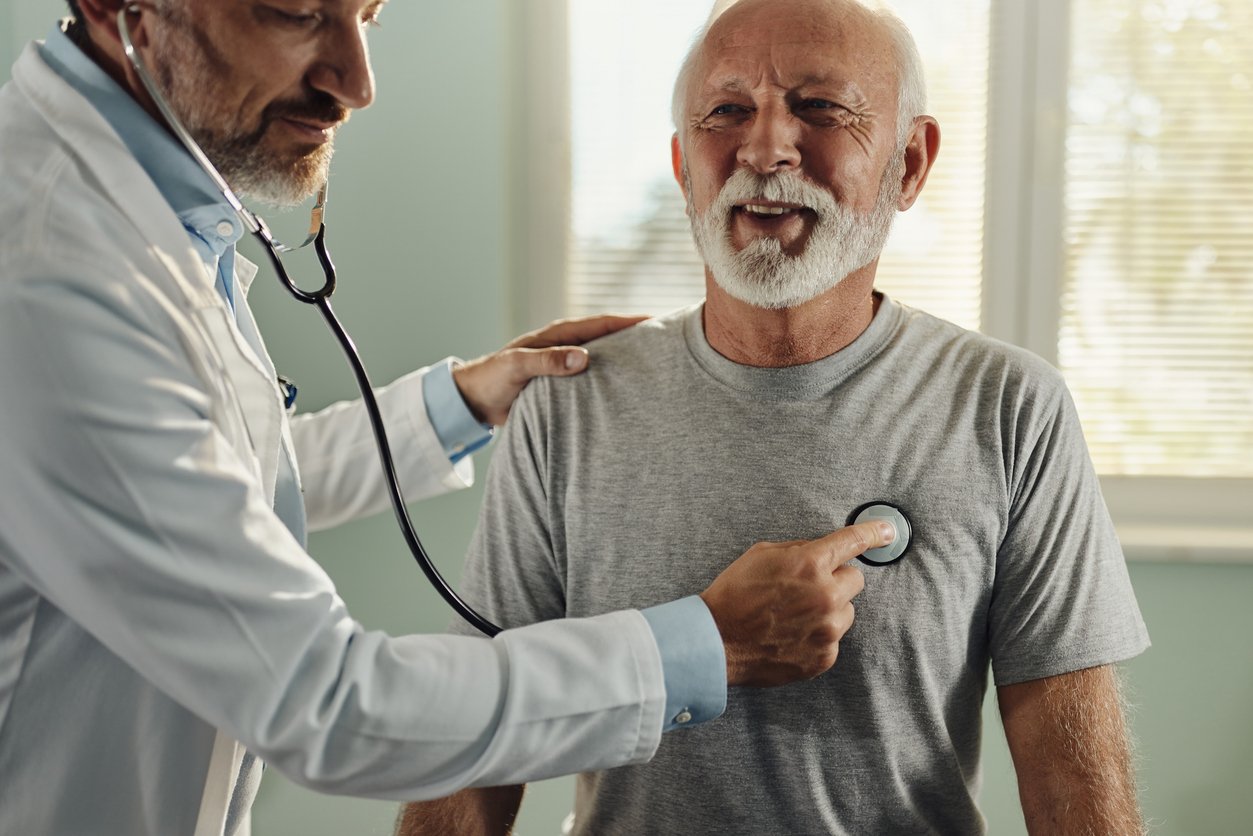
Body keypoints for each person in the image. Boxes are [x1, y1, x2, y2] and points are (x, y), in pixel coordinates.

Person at [0, 1, 896, 833]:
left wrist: (464, 400)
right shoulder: (49, 274)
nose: (356, 81)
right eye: (298, 12)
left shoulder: (149, 215)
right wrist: (706, 644)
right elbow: (329, 705)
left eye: (366, 14)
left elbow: (185, 488)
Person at [396, 0, 1152, 833]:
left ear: (908, 162)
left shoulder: (1009, 407)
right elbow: (475, 738)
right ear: (683, 167)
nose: (762, 150)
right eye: (726, 112)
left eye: (819, 108)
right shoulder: (568, 407)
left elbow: (1071, 773)